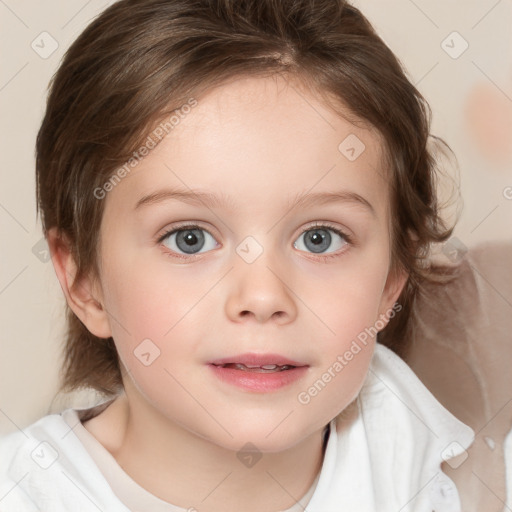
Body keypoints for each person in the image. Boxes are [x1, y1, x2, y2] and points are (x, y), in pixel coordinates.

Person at [0, 0, 474, 510]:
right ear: (83, 280)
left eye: (320, 238)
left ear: (390, 282)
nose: (263, 296)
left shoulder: (426, 464)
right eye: (189, 238)